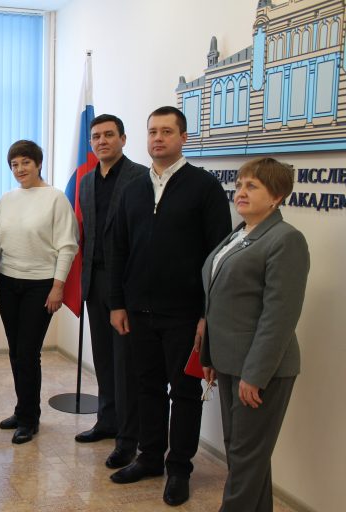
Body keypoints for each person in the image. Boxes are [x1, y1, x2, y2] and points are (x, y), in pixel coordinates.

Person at [107, 106, 231, 506]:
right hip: (138, 311)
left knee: (185, 392)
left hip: (184, 314)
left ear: (183, 138)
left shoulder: (204, 187)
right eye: (152, 132)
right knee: (146, 387)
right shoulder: (133, 189)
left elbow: (218, 256)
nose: (158, 138)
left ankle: (179, 468)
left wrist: (206, 315)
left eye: (166, 131)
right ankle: (149, 457)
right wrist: (117, 303)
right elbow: (118, 250)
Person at [200, 157, 309, 512]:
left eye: (252, 186)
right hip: (230, 362)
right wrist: (210, 356)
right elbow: (220, 299)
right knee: (244, 454)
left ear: (276, 197)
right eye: (239, 185)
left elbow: (279, 317)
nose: (241, 192)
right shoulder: (240, 234)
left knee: (245, 458)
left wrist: (255, 374)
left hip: (261, 370)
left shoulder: (286, 240)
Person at [0, 140, 78, 444]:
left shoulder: (55, 198)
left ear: (38, 163)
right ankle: (22, 409)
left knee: (27, 353)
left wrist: (58, 287)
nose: (20, 169)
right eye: (14, 164)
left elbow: (67, 246)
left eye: (25, 162)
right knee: (16, 352)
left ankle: (29, 419)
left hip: (41, 285)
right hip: (9, 283)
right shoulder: (7, 199)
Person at [74, 115, 147, 469]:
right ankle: (107, 421)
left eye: (108, 135)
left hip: (126, 285)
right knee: (103, 358)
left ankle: (128, 438)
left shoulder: (141, 178)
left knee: (125, 364)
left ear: (123, 138)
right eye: (96, 136)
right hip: (95, 280)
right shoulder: (87, 181)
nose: (101, 141)